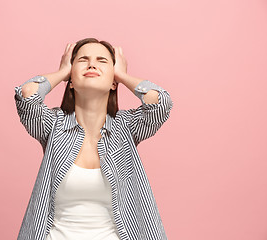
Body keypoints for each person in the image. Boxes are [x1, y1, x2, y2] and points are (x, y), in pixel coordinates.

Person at [14, 37, 173, 240]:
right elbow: (27, 95)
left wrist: (122, 75)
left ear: (113, 82)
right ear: (71, 80)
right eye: (83, 60)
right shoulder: (53, 126)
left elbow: (160, 103)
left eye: (102, 61)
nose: (92, 64)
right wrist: (63, 72)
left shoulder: (126, 127)